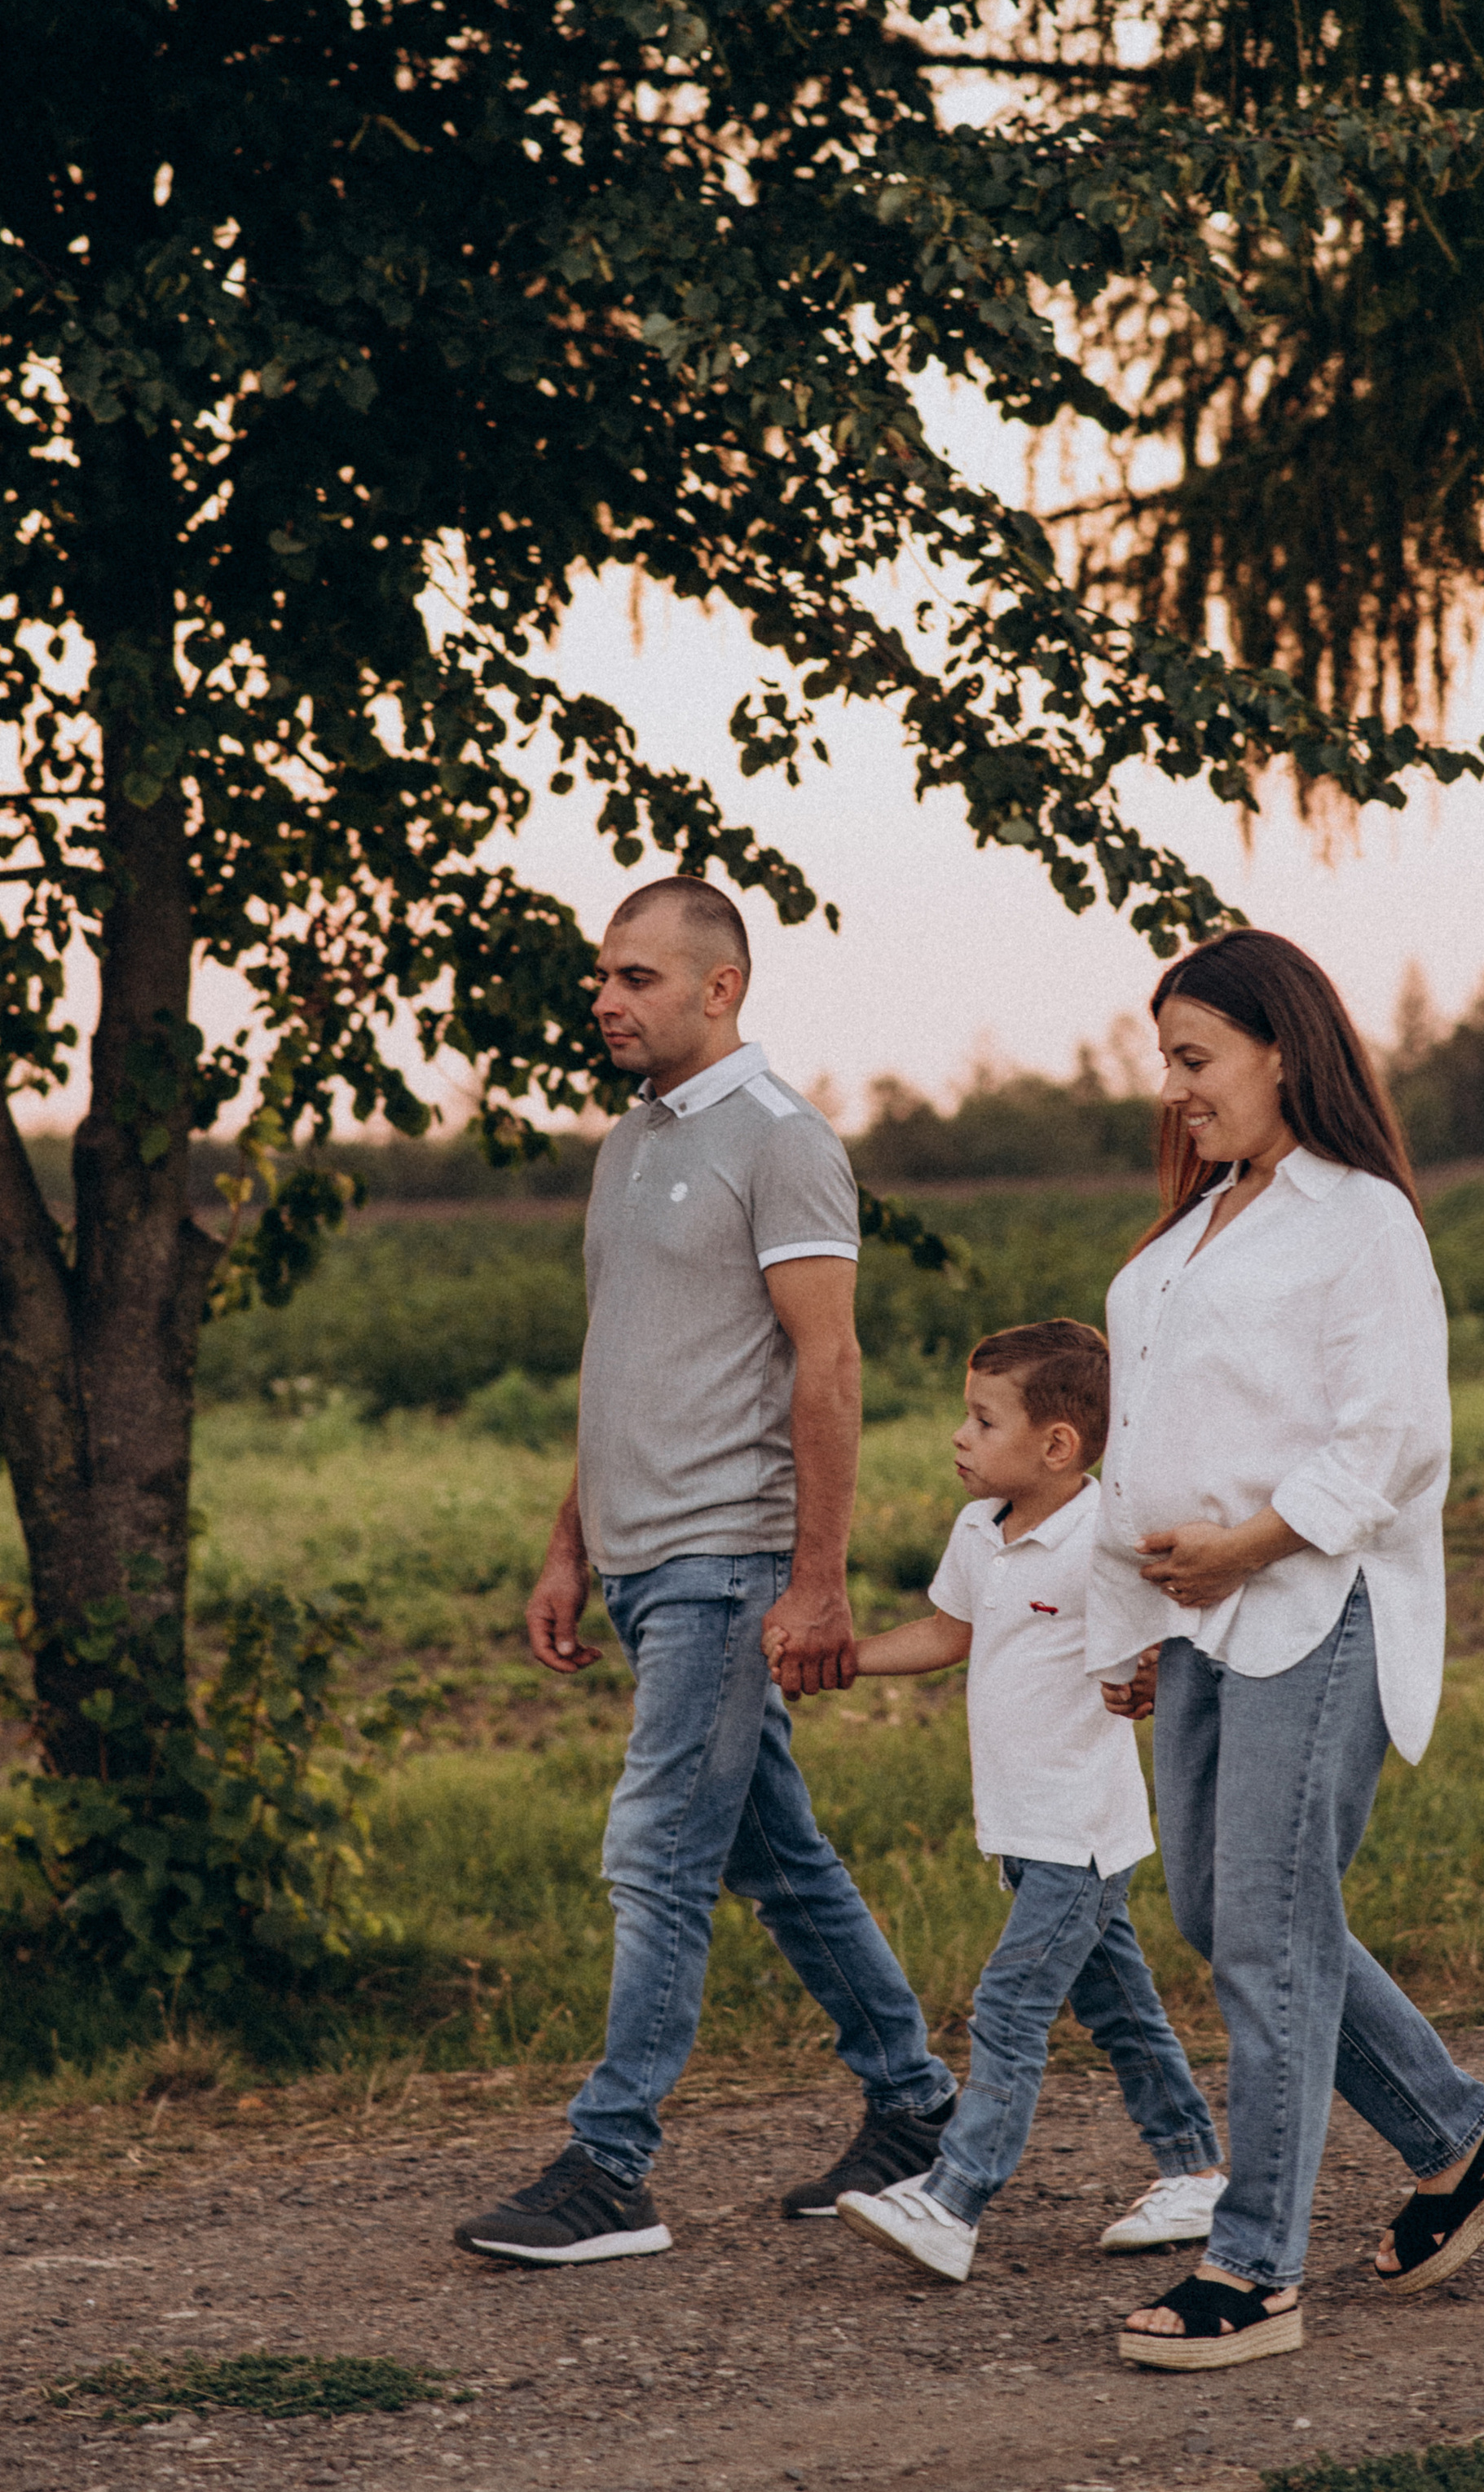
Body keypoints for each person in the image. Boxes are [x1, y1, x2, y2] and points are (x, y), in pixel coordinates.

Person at [453, 878, 958, 2266]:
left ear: (719, 985)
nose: (605, 1000)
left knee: (658, 1842)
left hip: (728, 1560)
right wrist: (570, 1543)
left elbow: (830, 1361)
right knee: (773, 1855)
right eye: (601, 980)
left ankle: (611, 2163)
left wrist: (819, 1578)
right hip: (637, 1558)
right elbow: (623, 1360)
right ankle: (917, 2107)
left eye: (634, 977)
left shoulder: (783, 1141)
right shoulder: (627, 1147)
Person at [1090, 928, 1484, 2373]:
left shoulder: (1358, 1221)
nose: (1173, 1090)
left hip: (1315, 1605)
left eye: (1195, 1059)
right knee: (1223, 1915)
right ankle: (1462, 2139)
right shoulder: (1195, 1232)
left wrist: (1248, 1544)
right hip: (1202, 1619)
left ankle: (1255, 2266)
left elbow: (1398, 1436)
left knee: (1273, 1932)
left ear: (1283, 1049)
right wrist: (1145, 1622)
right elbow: (1143, 1444)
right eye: (1163, 1063)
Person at [788, 1320, 1226, 2285]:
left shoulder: (1106, 1536)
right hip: (1020, 1826)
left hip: (1082, 1827)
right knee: (1120, 2013)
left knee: (1009, 2005)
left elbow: (1180, 1624)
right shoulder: (977, 1532)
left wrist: (1153, 1670)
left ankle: (955, 2195)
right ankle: (1193, 2168)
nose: (959, 1436)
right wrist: (843, 1661)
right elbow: (950, 1633)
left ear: (1057, 1445)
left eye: (983, 1420)